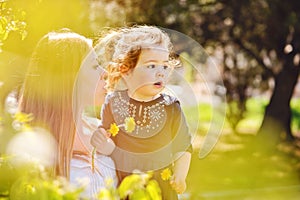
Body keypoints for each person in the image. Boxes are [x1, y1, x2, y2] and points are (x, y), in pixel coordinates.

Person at [91, 25, 192, 199]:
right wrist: (98, 137)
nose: (161, 72)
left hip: (160, 189)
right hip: (126, 187)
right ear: (126, 69)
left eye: (165, 66)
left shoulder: (170, 107)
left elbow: (183, 146)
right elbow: (104, 137)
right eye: (152, 66)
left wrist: (180, 175)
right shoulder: (113, 103)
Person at [18, 29, 118, 199]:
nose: (105, 73)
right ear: (70, 79)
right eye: (95, 66)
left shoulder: (101, 129)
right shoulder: (30, 148)